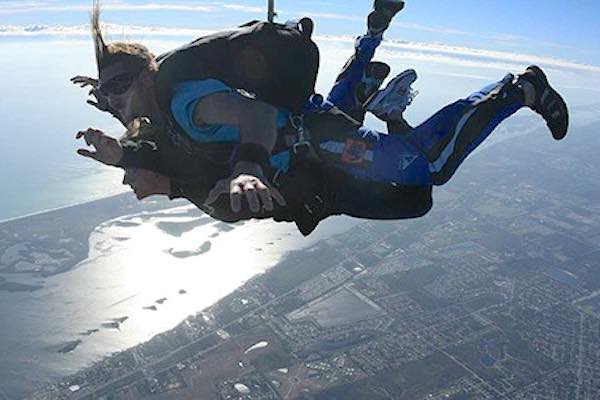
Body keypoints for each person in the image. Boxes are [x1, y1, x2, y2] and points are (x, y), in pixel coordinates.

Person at [76, 1, 569, 236]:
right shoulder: (162, 114)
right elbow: (164, 151)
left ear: (148, 77)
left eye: (119, 86)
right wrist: (120, 147)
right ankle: (370, 49)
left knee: (428, 167)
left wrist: (247, 168)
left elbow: (257, 117)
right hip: (310, 133)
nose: (111, 99)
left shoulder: (188, 104)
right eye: (103, 92)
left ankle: (519, 89)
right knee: (343, 111)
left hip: (318, 139)